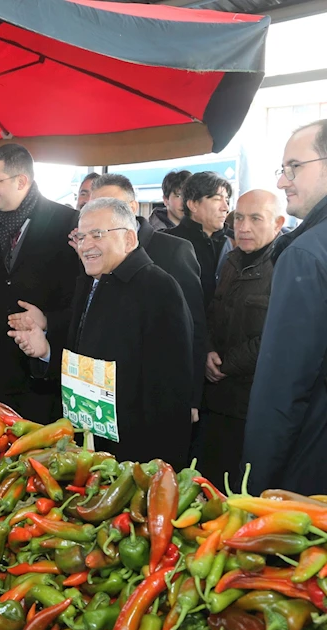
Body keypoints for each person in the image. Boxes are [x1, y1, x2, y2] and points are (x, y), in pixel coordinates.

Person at [9, 197, 193, 469]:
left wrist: (157, 468)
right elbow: (85, 355)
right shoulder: (90, 281)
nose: (86, 246)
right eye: (82, 237)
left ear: (129, 239)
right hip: (87, 439)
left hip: (133, 453)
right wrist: (45, 351)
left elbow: (169, 391)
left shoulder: (158, 289)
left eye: (98, 235)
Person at [0, 143, 78, 423]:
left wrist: (48, 320)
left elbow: (75, 295)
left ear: (21, 181)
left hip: (38, 369)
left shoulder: (64, 220)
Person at [242, 119, 327, 494]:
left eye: (294, 167)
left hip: (308, 467)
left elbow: (283, 387)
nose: (282, 181)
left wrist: (254, 482)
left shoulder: (306, 255)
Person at [90, 174, 205, 422]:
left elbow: (193, 327)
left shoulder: (174, 250)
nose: (99, 212)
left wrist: (192, 398)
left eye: (110, 204)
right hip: (104, 396)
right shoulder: (91, 253)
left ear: (132, 208)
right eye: (92, 206)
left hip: (153, 398)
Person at [199, 190, 284, 488]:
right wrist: (207, 350)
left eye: (255, 219)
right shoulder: (232, 260)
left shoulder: (284, 266)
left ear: (278, 223)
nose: (243, 227)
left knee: (239, 487)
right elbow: (212, 310)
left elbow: (277, 336)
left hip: (251, 401)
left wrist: (227, 365)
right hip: (215, 396)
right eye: (239, 218)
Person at [166, 171, 231, 307]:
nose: (225, 207)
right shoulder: (168, 243)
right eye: (217, 199)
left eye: (227, 200)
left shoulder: (231, 242)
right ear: (193, 204)